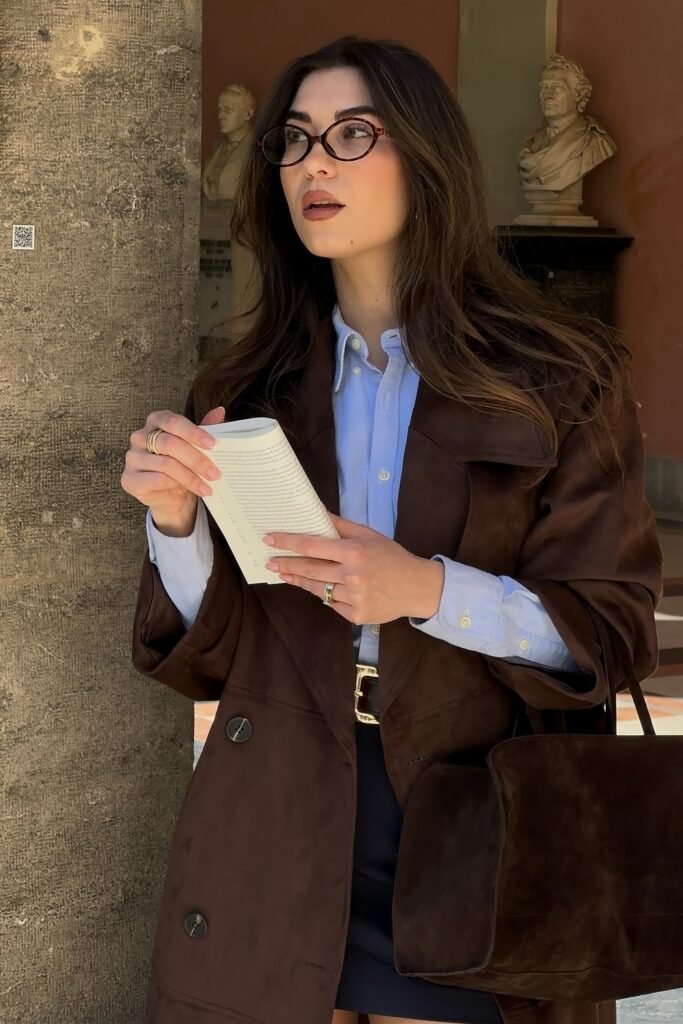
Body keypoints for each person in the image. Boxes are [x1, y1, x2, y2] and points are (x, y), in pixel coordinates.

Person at [121, 36, 662, 1024]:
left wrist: (427, 590)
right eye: (292, 140)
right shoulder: (245, 389)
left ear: (426, 156)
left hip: (475, 817)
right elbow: (211, 659)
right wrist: (175, 522)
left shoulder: (558, 376)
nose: (311, 164)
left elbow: (614, 630)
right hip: (279, 811)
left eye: (350, 134)